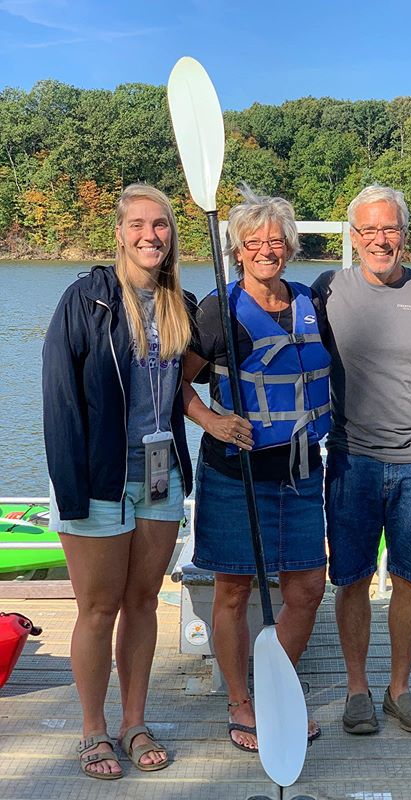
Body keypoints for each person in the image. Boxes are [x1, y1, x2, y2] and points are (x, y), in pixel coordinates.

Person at [43, 183, 196, 778]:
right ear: (119, 232)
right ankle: (93, 729)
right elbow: (59, 398)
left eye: (160, 225)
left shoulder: (177, 303)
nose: (150, 235)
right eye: (138, 224)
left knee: (143, 601)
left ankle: (134, 720)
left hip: (158, 477)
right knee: (98, 607)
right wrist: (72, 487)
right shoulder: (87, 300)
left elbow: (190, 382)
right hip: (98, 479)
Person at [182, 189, 330, 753]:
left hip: (298, 468)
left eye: (276, 239)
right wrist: (212, 422)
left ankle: (277, 691)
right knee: (233, 591)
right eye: (254, 242)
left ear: (289, 246)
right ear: (238, 251)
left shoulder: (310, 302)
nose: (267, 249)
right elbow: (179, 382)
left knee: (308, 587)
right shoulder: (219, 309)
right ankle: (240, 701)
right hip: (234, 469)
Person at [312, 185, 411, 735]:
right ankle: (357, 689)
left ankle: (399, 688)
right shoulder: (328, 289)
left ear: (405, 233)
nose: (379, 240)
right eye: (368, 230)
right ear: (352, 237)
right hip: (351, 459)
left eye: (389, 229)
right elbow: (273, 332)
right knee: (350, 578)